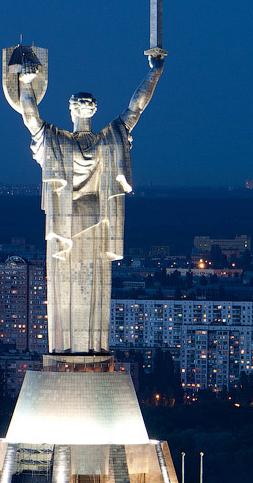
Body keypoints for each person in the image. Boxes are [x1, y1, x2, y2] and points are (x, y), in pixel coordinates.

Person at [15, 51, 164, 353]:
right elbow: (136, 107)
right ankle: (93, 348)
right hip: (97, 218)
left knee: (67, 284)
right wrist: (155, 72)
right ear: (93, 111)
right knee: (94, 283)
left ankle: (68, 348)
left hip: (69, 220)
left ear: (72, 111)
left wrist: (26, 82)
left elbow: (30, 118)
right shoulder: (107, 141)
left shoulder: (60, 142)